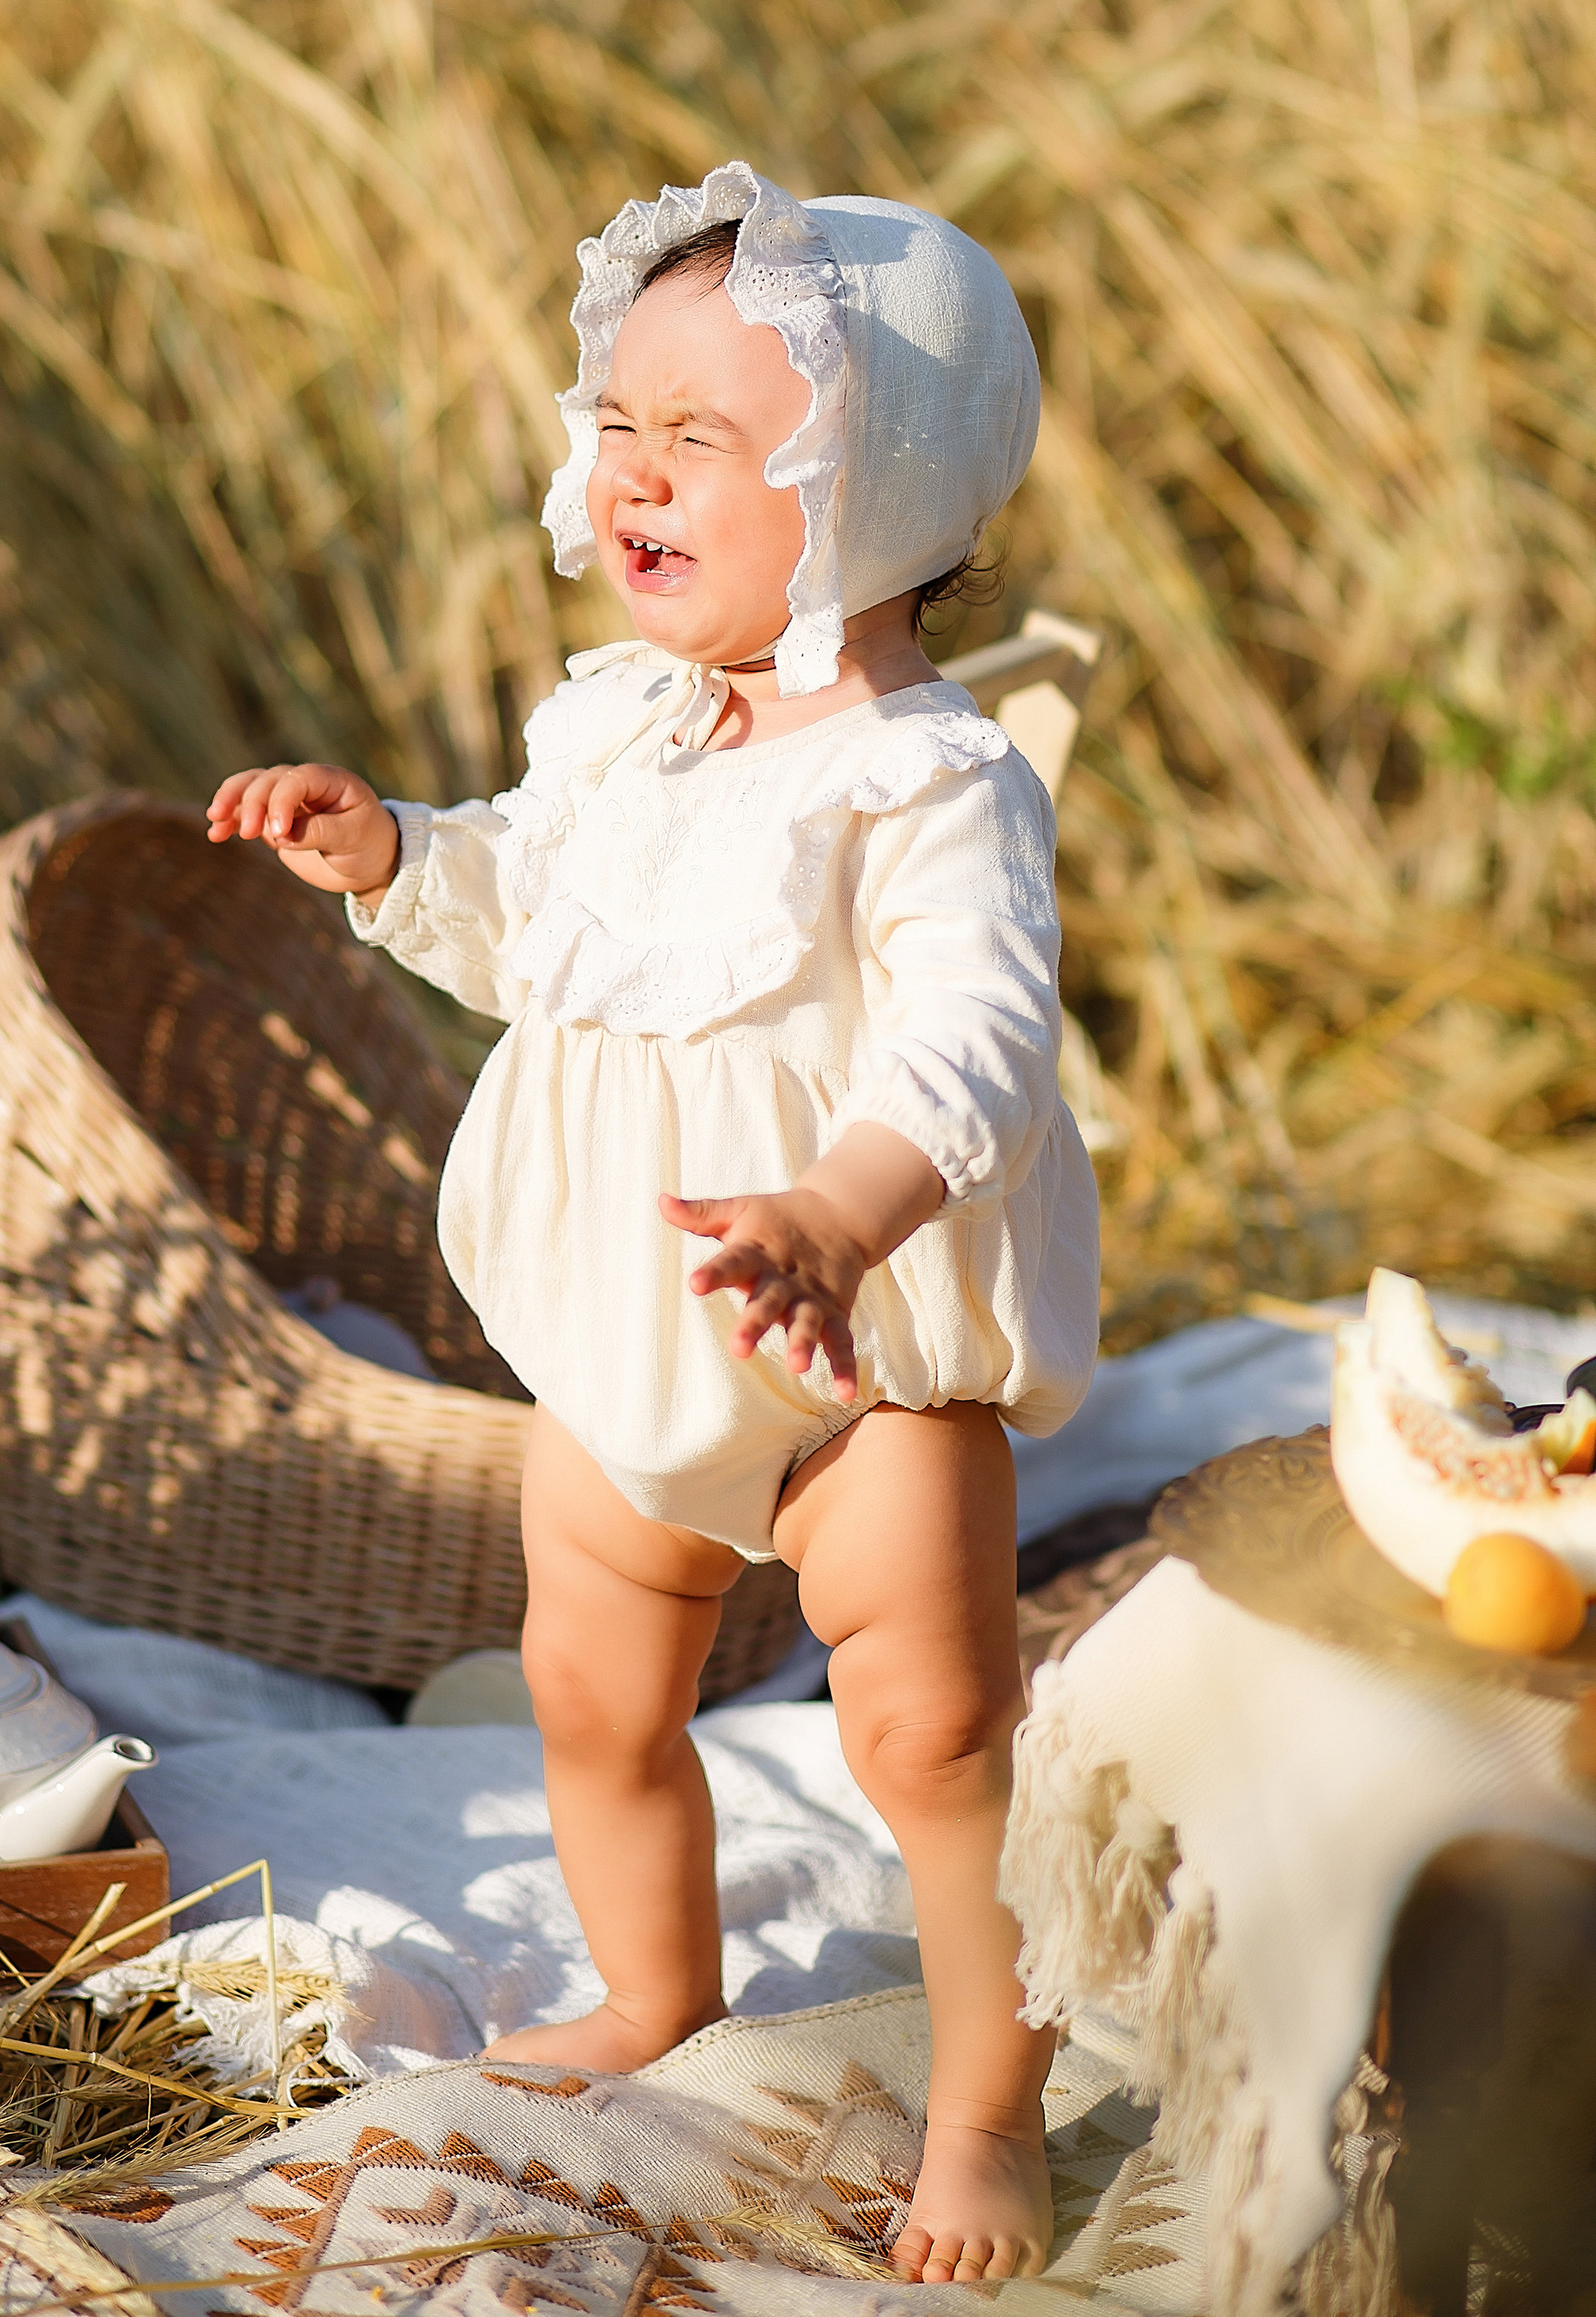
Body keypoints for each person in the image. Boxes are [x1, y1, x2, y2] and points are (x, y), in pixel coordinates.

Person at [207, 162, 1100, 2283]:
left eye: (706, 441)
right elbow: (539, 918)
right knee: (597, 1701)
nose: (637, 474)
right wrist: (397, 854)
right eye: (619, 423)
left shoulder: (932, 783)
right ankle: (652, 1985)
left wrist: (838, 1213)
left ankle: (990, 2103)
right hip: (629, 1339)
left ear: (867, 488)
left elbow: (978, 1046)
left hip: (855, 1354)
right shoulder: (625, 733)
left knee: (934, 1738)